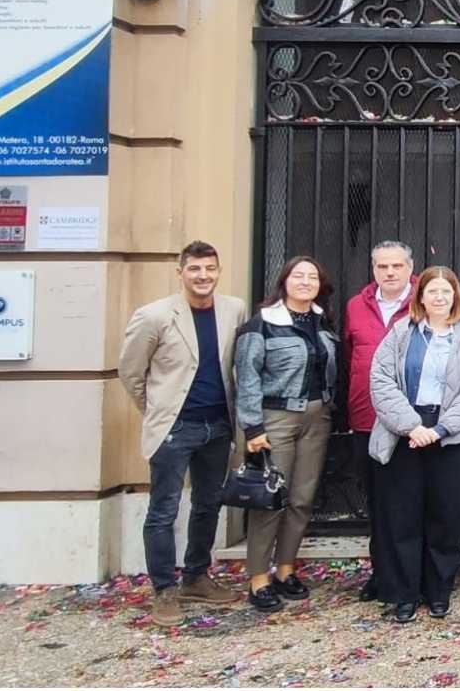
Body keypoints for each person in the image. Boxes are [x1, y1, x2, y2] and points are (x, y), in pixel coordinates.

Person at [118, 240, 249, 628]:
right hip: (175, 427)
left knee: (209, 503)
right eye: (195, 269)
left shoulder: (233, 309)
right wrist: (159, 411)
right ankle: (163, 588)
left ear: (218, 270)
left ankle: (195, 576)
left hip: (217, 424)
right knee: (164, 509)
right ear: (181, 272)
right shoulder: (153, 316)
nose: (203, 276)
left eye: (209, 268)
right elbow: (131, 372)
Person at [366, 266, 460, 622]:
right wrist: (411, 426)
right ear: (420, 297)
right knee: (403, 516)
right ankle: (404, 593)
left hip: (449, 438)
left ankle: (438, 592)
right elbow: (381, 380)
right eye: (432, 291)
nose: (439, 297)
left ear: (455, 297)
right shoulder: (401, 332)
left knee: (444, 517)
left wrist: (441, 429)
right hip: (405, 433)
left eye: (445, 292)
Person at [234, 255, 339, 611]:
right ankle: (258, 577)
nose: (306, 282)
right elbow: (247, 378)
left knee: (301, 499)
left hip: (317, 416)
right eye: (299, 276)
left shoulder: (323, 323)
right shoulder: (262, 324)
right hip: (275, 418)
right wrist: (252, 427)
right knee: (271, 500)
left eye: (312, 277)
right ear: (285, 281)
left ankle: (285, 570)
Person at [343, 241, 415, 603]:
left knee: (406, 503)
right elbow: (347, 357)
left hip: (411, 423)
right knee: (377, 504)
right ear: (373, 270)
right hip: (367, 419)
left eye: (397, 266)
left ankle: (409, 573)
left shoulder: (422, 303)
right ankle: (381, 573)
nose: (390, 272)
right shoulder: (356, 307)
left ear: (409, 268)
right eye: (382, 266)